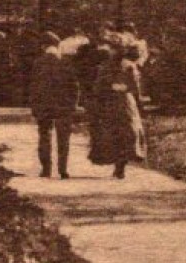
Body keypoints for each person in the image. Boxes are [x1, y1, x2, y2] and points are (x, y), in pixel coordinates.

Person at [90, 43, 146, 177]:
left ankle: (118, 164)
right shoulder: (130, 66)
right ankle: (121, 165)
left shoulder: (105, 67)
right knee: (127, 132)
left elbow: (97, 88)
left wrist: (108, 90)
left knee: (113, 132)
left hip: (110, 102)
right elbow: (135, 87)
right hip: (125, 102)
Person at [29, 31, 79, 178]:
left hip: (44, 105)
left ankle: (46, 169)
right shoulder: (66, 62)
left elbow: (33, 86)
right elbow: (74, 86)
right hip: (64, 106)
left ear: (43, 46)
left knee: (44, 135)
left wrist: (34, 105)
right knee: (63, 138)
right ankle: (63, 169)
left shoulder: (38, 63)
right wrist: (73, 104)